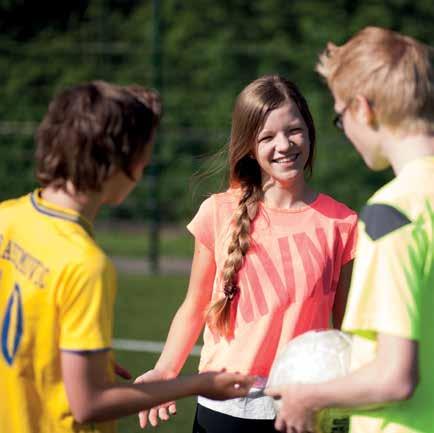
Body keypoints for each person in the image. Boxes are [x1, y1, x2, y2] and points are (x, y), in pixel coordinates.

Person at [0, 81, 254, 433]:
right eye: (144, 156)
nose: (146, 165)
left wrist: (82, 362)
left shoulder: (8, 217)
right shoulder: (85, 264)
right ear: (119, 162)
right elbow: (88, 405)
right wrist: (199, 384)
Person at [135, 75, 358, 433]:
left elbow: (347, 326)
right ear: (249, 145)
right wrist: (165, 371)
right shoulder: (218, 211)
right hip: (222, 410)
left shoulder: (342, 223)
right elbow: (195, 305)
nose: (284, 145)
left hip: (303, 412)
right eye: (267, 137)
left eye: (294, 130)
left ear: (310, 132)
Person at [266, 27, 434, 433]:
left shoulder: (393, 213)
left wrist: (304, 396)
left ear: (363, 109)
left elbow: (395, 378)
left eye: (340, 117)